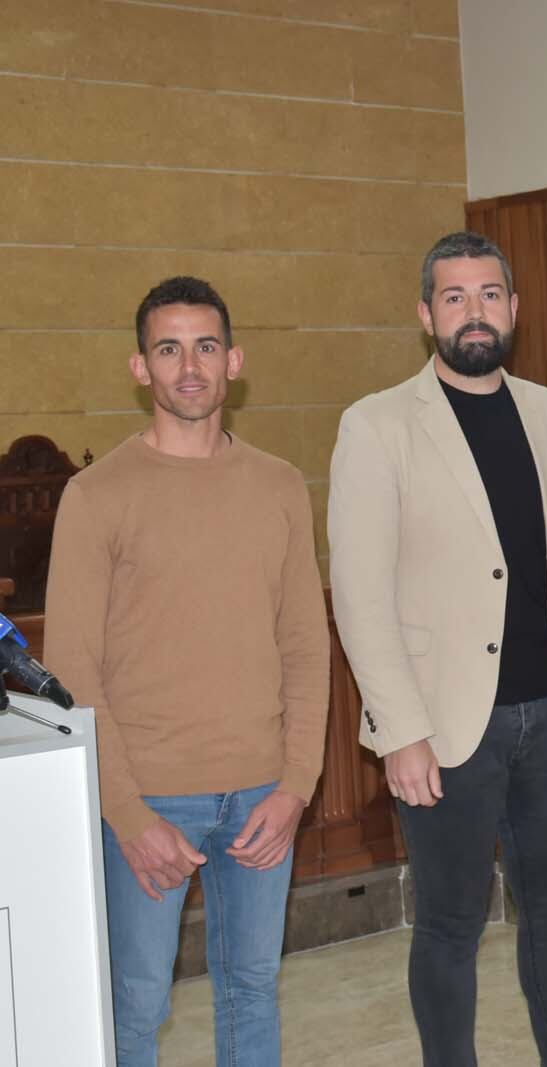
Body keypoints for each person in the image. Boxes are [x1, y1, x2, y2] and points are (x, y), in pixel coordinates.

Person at [328, 231, 547, 1067]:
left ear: (514, 309)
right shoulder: (377, 425)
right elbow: (360, 595)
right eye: (454, 297)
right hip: (445, 727)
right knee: (452, 927)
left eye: (489, 294)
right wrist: (399, 730)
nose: (474, 312)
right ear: (426, 314)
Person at [44, 276, 330, 1067]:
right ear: (141, 368)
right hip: (150, 796)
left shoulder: (277, 485)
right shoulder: (95, 497)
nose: (190, 366)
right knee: (135, 1005)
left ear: (234, 359)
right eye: (168, 349)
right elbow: (73, 670)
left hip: (262, 796)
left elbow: (307, 646)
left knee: (252, 992)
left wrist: (297, 785)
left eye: (205, 346)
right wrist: (128, 816)